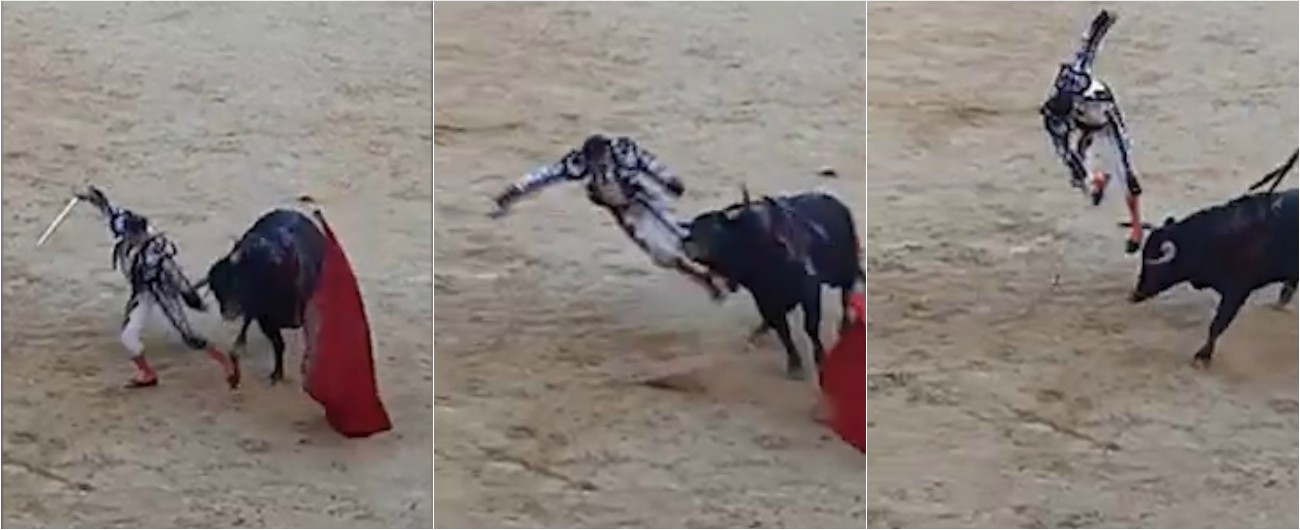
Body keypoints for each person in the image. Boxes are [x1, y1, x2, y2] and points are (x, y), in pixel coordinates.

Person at [488, 134, 724, 300]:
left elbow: (649, 163)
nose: (597, 165)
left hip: (644, 199)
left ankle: (721, 268)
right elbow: (541, 177)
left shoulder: (623, 152)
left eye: (600, 160)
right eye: (594, 162)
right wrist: (508, 196)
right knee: (660, 254)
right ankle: (705, 280)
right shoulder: (578, 163)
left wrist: (669, 180)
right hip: (622, 211)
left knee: (677, 236)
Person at [76, 186, 236, 388]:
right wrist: (93, 197)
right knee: (128, 338)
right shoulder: (121, 225)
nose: (136, 239)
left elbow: (177, 279)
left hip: (162, 290)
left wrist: (191, 298)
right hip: (142, 291)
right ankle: (147, 373)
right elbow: (109, 209)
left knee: (188, 335)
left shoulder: (156, 255)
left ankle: (225, 361)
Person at [1040, 10, 1145, 254]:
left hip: (1108, 127)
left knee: (1129, 182)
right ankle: (1098, 179)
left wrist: (1101, 23)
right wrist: (1074, 168)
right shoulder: (1056, 117)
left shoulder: (1079, 79)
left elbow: (1088, 46)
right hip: (1087, 131)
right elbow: (1063, 150)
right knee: (1082, 177)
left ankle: (1136, 228)